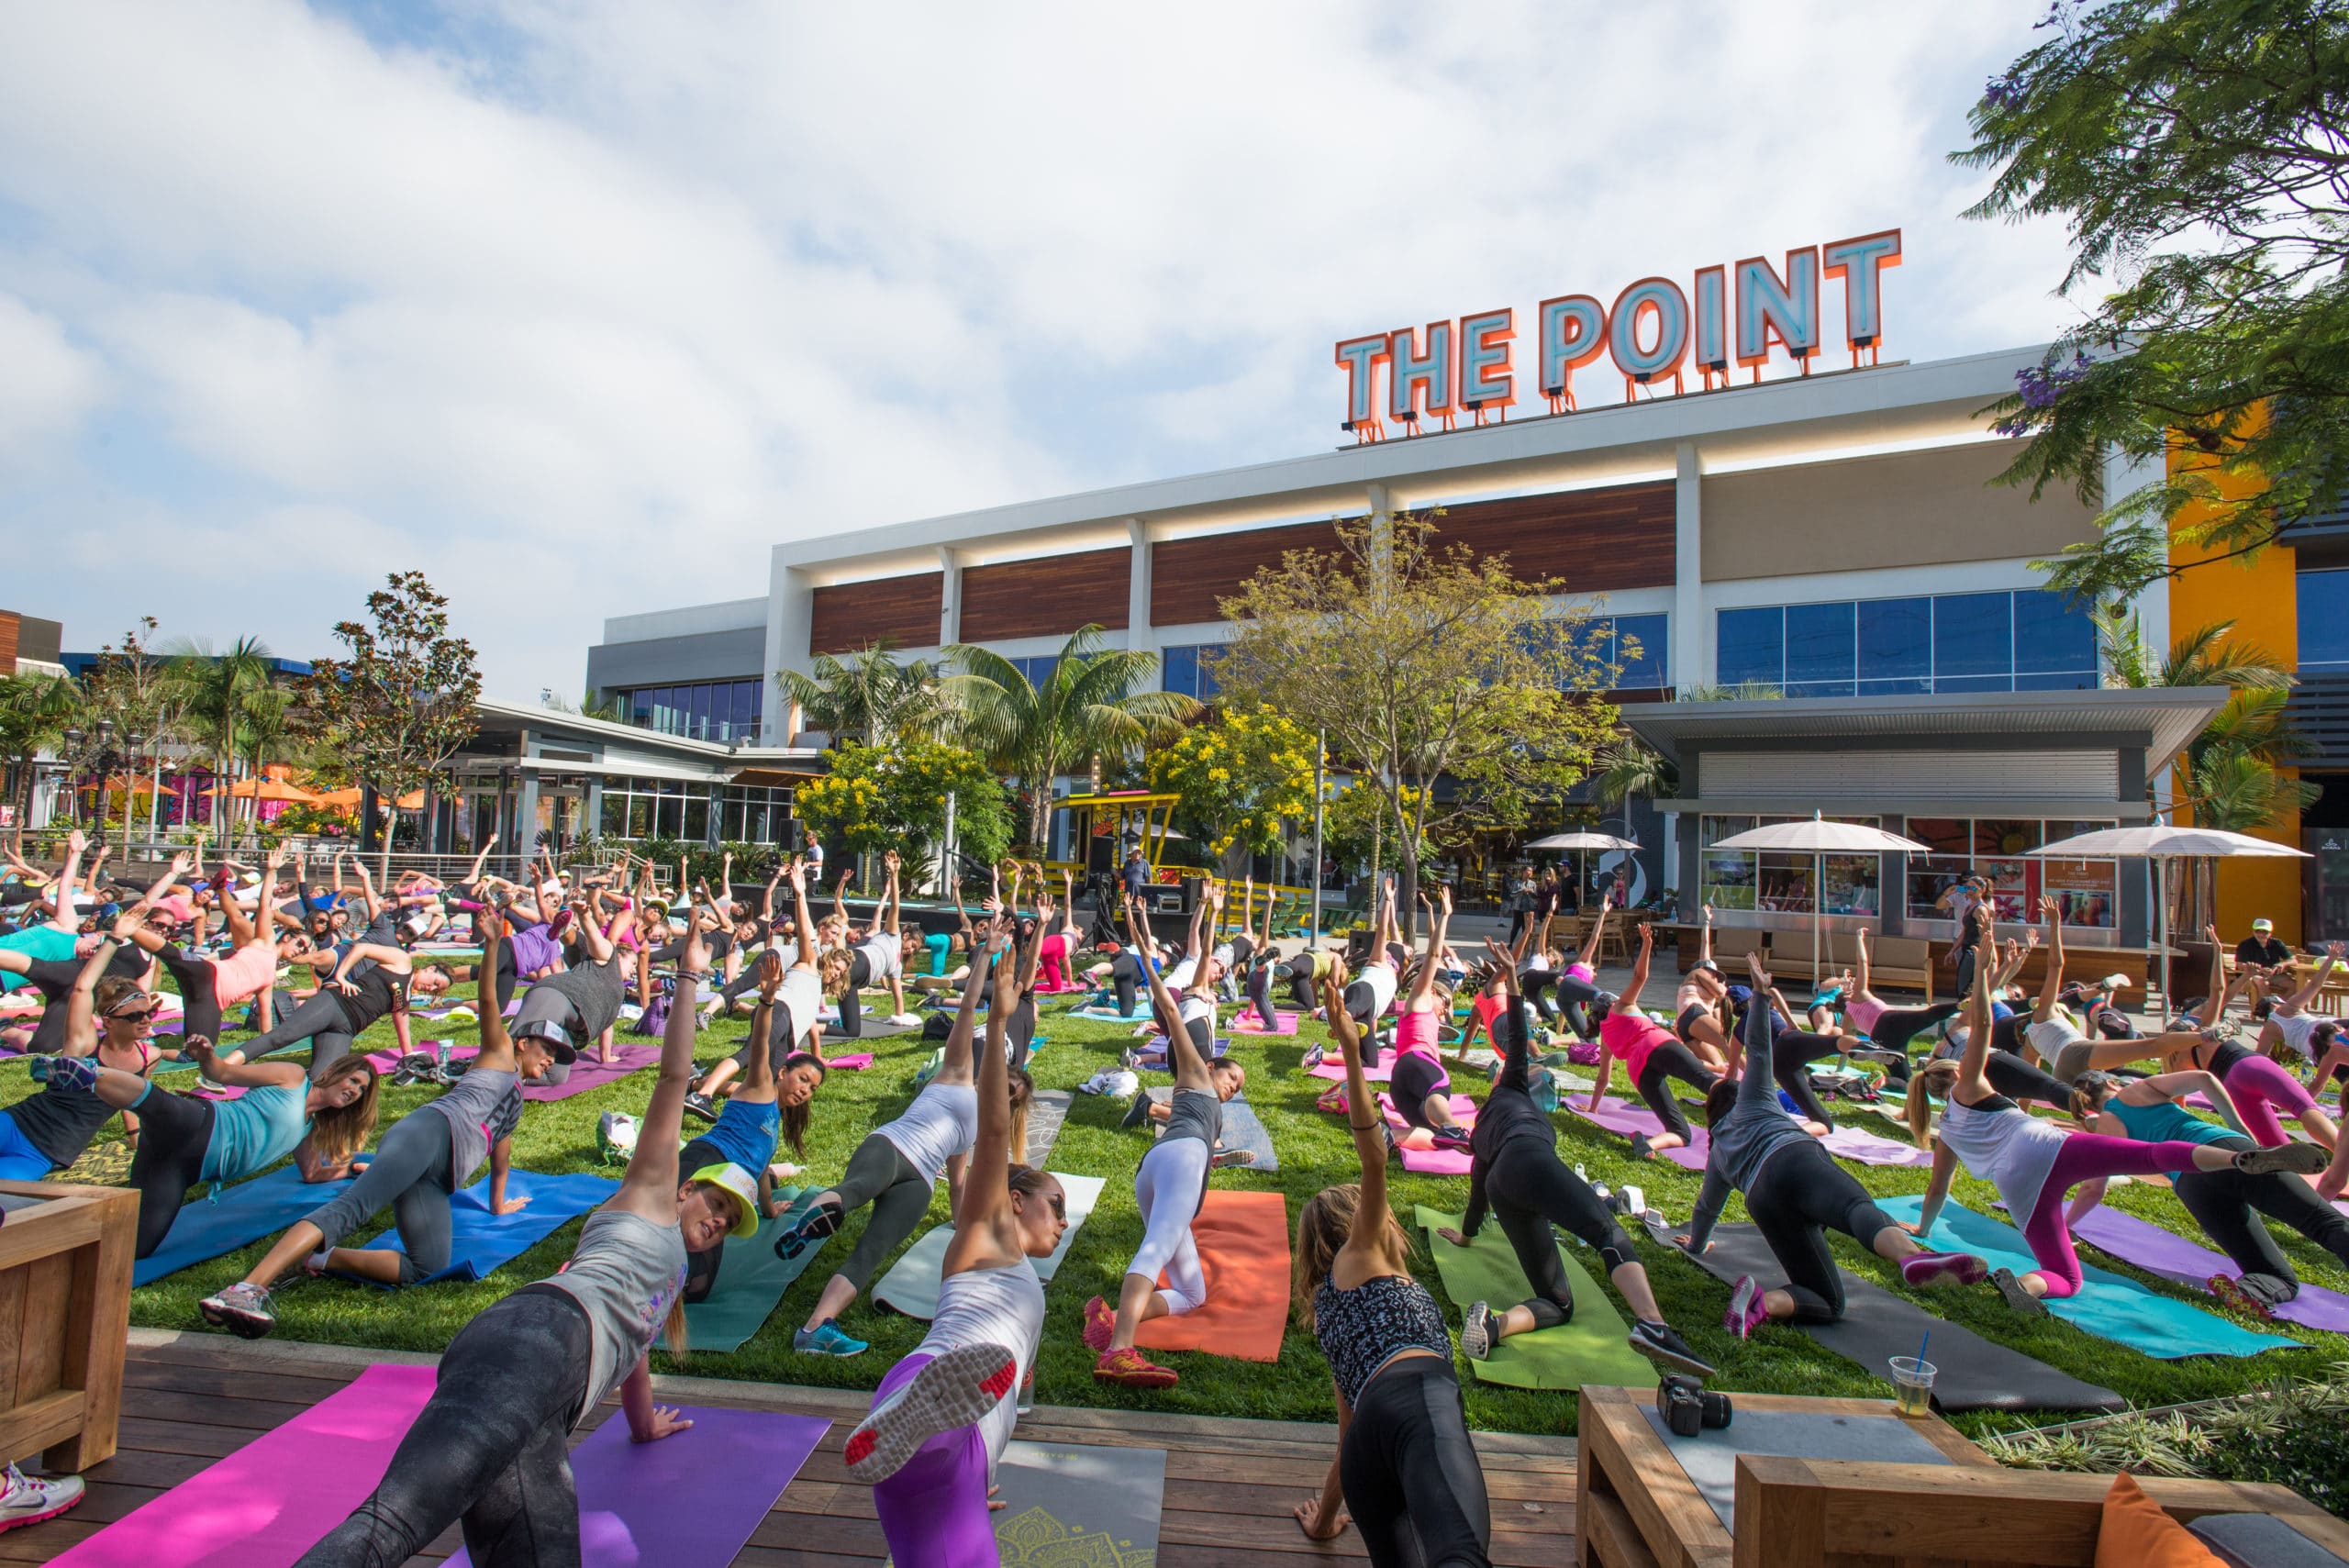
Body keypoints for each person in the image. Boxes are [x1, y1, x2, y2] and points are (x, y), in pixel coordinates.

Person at [291, 918, 755, 1568]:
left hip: (544, 1395)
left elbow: (634, 1349)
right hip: (533, 1346)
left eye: (729, 1222)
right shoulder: (650, 1194)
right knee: (393, 1524)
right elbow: (674, 1077)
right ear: (685, 1189)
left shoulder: (668, 1274)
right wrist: (688, 974)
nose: (719, 1221)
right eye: (717, 1204)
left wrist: (645, 1424)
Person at [1908, 924, 2326, 1312]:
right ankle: (2239, 1158)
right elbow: (1981, 1025)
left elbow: (1938, 1188)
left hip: (2017, 1186)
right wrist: (1983, 975)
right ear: (1956, 1074)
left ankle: (2027, 1285)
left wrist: (1924, 1231)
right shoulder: (1968, 1086)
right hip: (2046, 1147)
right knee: (2154, 1155)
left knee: (2067, 1276)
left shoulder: (1947, 1128)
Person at [199, 905, 563, 1333]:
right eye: (546, 1050)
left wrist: (498, 1205)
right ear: (521, 1043)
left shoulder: (516, 1097)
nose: (551, 1060)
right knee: (353, 1208)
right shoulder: (499, 1053)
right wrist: (491, 943)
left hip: (438, 1177)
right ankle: (245, 1288)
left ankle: (318, 1258)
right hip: (428, 1135)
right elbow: (487, 1002)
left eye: (556, 1056)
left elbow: (500, 1153)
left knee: (428, 1264)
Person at [841, 920, 1067, 1566]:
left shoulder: (1000, 1262)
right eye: (1056, 1206)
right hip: (944, 1415)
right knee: (939, 1433)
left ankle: (920, 1432)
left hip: (956, 1459)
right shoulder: (987, 1238)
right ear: (1015, 1201)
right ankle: (924, 1427)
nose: (1062, 1222)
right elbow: (993, 1132)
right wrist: (996, 1023)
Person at [1289, 949, 1492, 1565]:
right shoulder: (1367, 1253)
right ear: (1356, 1223)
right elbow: (1374, 1155)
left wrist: (1325, 1519)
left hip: (1368, 1457)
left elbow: (1349, 1431)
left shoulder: (1329, 1305)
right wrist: (1352, 1054)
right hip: (1420, 1408)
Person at [1684, 953, 1988, 1334]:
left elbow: (1707, 1208)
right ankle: (1910, 1257)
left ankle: (1761, 1303)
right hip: (1793, 1158)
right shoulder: (1753, 1099)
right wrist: (1761, 996)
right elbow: (1759, 1051)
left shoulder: (1718, 1150)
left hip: (1762, 1198)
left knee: (1827, 1299)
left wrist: (1696, 1246)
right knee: (1855, 1208)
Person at [1440, 944, 1709, 1373]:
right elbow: (1517, 1040)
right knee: (1608, 1232)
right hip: (1530, 1163)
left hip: (1503, 1186)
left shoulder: (1483, 1131)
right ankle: (1653, 1324)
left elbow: (1479, 1191)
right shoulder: (1512, 1086)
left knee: (1557, 1301)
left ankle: (1495, 1325)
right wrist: (1513, 980)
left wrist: (1467, 1237)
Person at [776, 931, 990, 1359]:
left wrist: (962, 1225)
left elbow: (957, 1183)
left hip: (919, 1181)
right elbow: (968, 1007)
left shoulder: (978, 1127)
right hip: (893, 1146)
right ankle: (812, 1304)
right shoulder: (955, 1074)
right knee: (856, 1200)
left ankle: (817, 1327)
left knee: (870, 1248)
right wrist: (987, 953)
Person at [1086, 889, 1245, 1389]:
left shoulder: (1203, 1101)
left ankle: (1112, 1319)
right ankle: (1119, 1351)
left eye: (1238, 1087)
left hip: (1165, 1166)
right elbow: (1173, 1014)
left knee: (1193, 1293)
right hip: (1177, 1161)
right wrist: (1142, 948)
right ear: (1212, 1067)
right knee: (1154, 1249)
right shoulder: (1195, 1074)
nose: (1232, 1087)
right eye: (1231, 1078)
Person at [55, 1037, 379, 1258]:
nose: (355, 1091)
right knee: (157, 1103)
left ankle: (58, 1238)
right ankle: (87, 1072)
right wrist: (207, 1055)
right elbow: (223, 1073)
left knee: (140, 1247)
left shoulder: (308, 1129)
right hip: (202, 1125)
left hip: (180, 1169)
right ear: (333, 1073)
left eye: (362, 1090)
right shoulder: (292, 1077)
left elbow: (312, 1173)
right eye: (353, 1080)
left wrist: (354, 1169)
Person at [2068, 1067, 2349, 1318]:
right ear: (2112, 1083)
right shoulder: (2138, 1089)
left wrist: (2064, 1225)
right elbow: (2204, 1078)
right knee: (2324, 1223)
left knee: (2270, 1273)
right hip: (2224, 1149)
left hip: (2193, 1187)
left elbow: (2094, 1187)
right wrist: (2238, 1126)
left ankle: (2251, 1290)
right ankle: (2252, 1158)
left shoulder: (2106, 1127)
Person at [0, 921, 161, 1182]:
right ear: (108, 1021)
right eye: (134, 1016)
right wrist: (114, 939)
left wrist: (135, 1138)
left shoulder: (149, 1057)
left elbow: (131, 1099)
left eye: (149, 1013)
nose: (145, 1021)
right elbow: (82, 987)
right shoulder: (84, 1045)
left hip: (43, 1152)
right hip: (15, 1123)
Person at [1586, 924, 1720, 1160]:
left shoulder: (1605, 1037)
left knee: (1680, 1132)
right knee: (1708, 1082)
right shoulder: (1621, 1006)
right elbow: (1640, 976)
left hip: (1639, 1071)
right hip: (1657, 1044)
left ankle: (1649, 1144)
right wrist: (1647, 944)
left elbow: (1603, 1078)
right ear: (1612, 1003)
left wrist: (1593, 1108)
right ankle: (1752, 1111)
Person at [219, 928, 414, 1078]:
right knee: (281, 1037)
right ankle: (220, 1070)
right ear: (428, 969)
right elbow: (361, 948)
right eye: (432, 984)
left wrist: (410, 1056)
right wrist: (340, 976)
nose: (428, 988)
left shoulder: (406, 999)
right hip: (335, 1003)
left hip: (347, 1029)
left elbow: (403, 1029)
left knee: (324, 1078)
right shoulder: (403, 961)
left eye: (431, 990)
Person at [508, 897, 630, 1082]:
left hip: (567, 1026)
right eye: (633, 963)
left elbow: (607, 1026)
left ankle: (513, 1076)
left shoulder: (612, 988)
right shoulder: (609, 959)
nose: (634, 970)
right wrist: (584, 915)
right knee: (511, 1046)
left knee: (556, 1076)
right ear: (620, 957)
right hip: (558, 995)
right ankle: (485, 1072)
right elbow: (591, 940)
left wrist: (606, 1057)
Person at [1388, 888, 1472, 1151]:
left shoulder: (1421, 1012)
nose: (1445, 1010)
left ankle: (1388, 1136)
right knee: (1440, 1087)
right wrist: (1445, 914)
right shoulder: (1421, 999)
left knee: (1433, 1135)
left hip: (1401, 1084)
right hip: (1415, 1064)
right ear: (1433, 992)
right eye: (1445, 1002)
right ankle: (1451, 1126)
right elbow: (1434, 956)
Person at [826, 851, 919, 1039]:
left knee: (852, 1031)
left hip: (853, 982)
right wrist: (894, 875)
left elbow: (898, 997)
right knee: (821, 978)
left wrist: (901, 1017)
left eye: (915, 950)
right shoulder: (892, 934)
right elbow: (895, 907)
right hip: (858, 961)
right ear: (906, 935)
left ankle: (812, 1027)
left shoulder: (897, 967)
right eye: (912, 944)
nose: (911, 949)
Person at [1842, 927, 1961, 1058]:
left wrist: (1840, 1069)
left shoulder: (1846, 1020)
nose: (1851, 982)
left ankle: (1878, 1055)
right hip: (1890, 1020)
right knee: (1928, 1015)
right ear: (1847, 996)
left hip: (1879, 1037)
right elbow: (1862, 962)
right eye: (1848, 984)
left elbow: (1845, 1047)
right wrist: (1859, 938)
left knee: (1901, 1068)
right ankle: (1959, 1006)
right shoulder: (1859, 993)